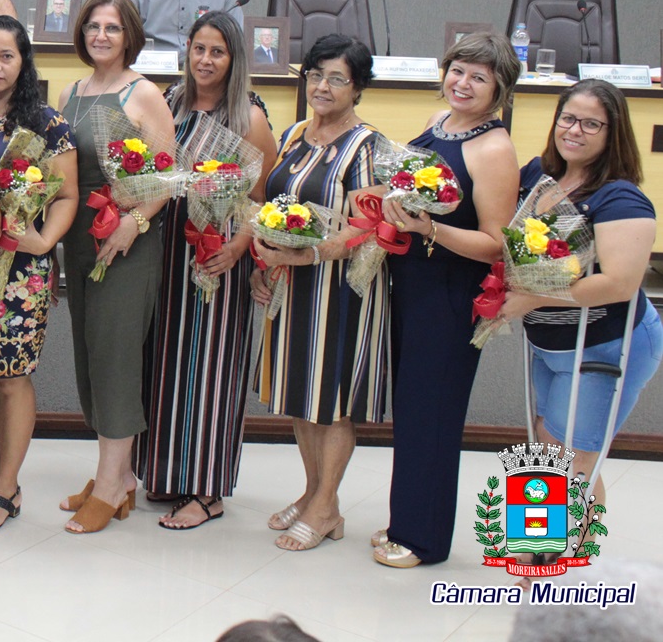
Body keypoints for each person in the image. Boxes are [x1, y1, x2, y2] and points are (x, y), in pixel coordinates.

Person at [374, 30, 519, 568]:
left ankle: (422, 538)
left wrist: (428, 230)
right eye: (457, 70)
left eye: (478, 77)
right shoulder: (441, 126)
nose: (463, 83)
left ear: (499, 89)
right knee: (412, 411)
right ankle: (405, 518)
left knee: (433, 415)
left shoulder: (494, 148)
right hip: (413, 285)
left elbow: (494, 243)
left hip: (450, 295)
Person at [498, 80, 661, 517]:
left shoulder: (621, 199)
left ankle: (543, 560)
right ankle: (569, 548)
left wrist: (532, 298)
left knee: (572, 461)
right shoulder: (538, 175)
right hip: (552, 346)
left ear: (613, 133)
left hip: (605, 345)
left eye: (592, 124)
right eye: (569, 119)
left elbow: (619, 284)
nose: (575, 130)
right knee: (553, 447)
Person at [138, 10, 275, 530]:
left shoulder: (249, 119)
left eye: (217, 51)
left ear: (234, 59)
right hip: (167, 254)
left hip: (218, 261)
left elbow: (263, 199)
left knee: (211, 372)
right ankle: (169, 473)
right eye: (199, 48)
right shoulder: (168, 103)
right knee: (167, 365)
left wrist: (240, 246)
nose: (206, 60)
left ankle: (207, 490)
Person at [251, 34, 386, 551]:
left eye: (336, 78)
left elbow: (366, 229)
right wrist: (265, 260)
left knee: (330, 402)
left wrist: (304, 255)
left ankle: (328, 506)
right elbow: (271, 205)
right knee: (299, 397)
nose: (322, 86)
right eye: (314, 75)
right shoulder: (293, 134)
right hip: (292, 284)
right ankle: (312, 494)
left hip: (341, 291)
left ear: (357, 87)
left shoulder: (368, 146)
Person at [0, 15, 79, 532]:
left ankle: (8, 484)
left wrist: (45, 241)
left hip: (21, 270)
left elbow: (68, 195)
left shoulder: (46, 124)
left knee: (10, 376)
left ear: (23, 62)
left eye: (6, 56)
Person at [55, 0, 176, 534]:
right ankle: (119, 476)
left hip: (128, 238)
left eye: (112, 27)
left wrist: (136, 221)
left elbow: (169, 174)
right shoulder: (70, 92)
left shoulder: (145, 93)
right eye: (93, 26)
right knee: (88, 352)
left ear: (130, 35)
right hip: (79, 236)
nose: (100, 35)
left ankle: (110, 486)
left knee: (115, 356)